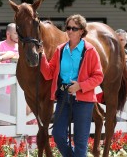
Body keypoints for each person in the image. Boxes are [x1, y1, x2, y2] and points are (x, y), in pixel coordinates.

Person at [39, 14, 104, 157]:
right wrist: (42, 56)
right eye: (68, 28)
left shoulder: (90, 50)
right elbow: (49, 73)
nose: (69, 31)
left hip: (84, 99)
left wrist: (80, 85)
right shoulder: (60, 49)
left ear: (82, 31)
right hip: (63, 95)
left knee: (81, 141)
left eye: (74, 28)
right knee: (58, 134)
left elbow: (98, 76)